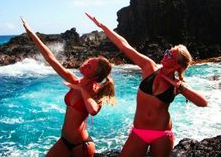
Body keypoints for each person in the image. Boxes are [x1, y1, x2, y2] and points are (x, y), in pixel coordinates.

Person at [86, 13, 208, 157]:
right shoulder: (149, 67)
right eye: (167, 51)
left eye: (170, 55)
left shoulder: (177, 85)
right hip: (138, 132)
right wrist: (102, 26)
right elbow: (125, 46)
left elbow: (203, 103)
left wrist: (180, 87)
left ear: (177, 64)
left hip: (162, 134)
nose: (166, 54)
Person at [21, 17, 116, 157]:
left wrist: (82, 90)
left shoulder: (96, 91)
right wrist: (31, 33)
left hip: (81, 145)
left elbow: (93, 110)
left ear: (96, 76)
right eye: (87, 61)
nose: (84, 64)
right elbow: (50, 58)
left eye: (89, 66)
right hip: (64, 141)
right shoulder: (74, 80)